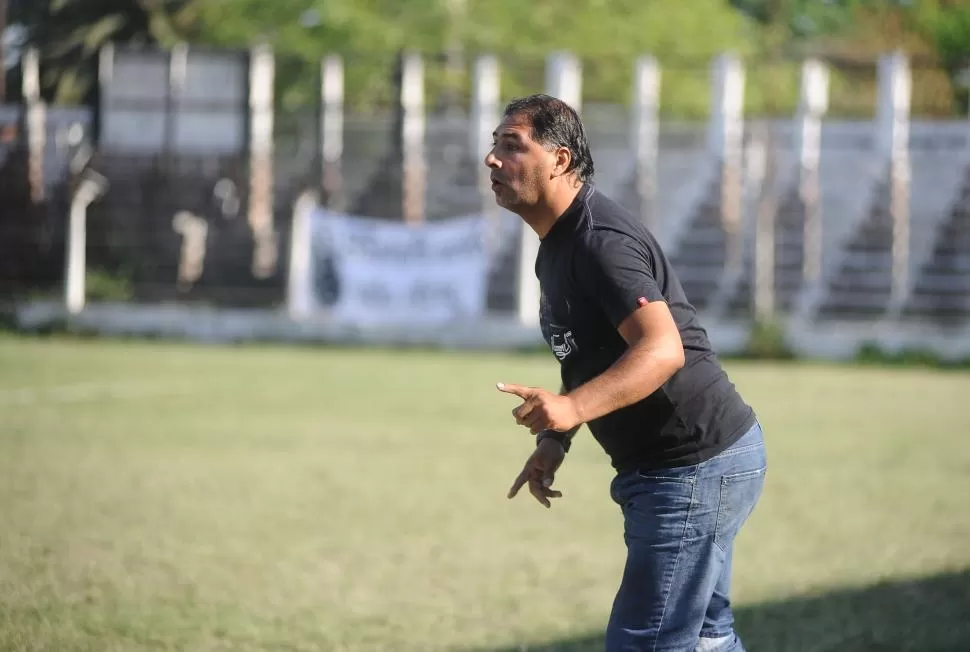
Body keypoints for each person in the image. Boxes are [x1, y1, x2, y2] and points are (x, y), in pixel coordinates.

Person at [486, 93, 767, 652]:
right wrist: (555, 438)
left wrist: (571, 409)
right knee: (706, 639)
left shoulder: (598, 242)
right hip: (697, 461)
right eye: (493, 146)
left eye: (511, 146)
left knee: (650, 642)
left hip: (692, 465)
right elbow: (586, 354)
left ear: (560, 160)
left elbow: (662, 350)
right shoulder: (558, 243)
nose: (492, 159)